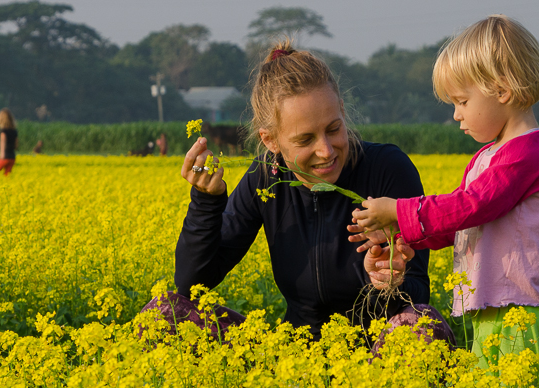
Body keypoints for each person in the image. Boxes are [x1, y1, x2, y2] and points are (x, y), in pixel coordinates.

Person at [146, 41, 452, 344]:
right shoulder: (266, 177)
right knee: (165, 315)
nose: (326, 150)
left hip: (372, 361)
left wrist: (388, 283)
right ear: (270, 141)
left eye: (333, 128)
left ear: (343, 111)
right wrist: (206, 201)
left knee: (420, 327)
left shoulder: (387, 169)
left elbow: (416, 292)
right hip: (294, 359)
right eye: (305, 139)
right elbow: (191, 284)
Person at [351, 15, 539, 367]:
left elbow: (471, 206)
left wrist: (399, 211)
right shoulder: (490, 155)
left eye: (462, 102)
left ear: (502, 90)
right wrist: (401, 236)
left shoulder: (527, 153)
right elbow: (459, 224)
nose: (456, 115)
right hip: (498, 307)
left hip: (525, 311)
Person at [0, 108, 18, 175]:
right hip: (12, 157)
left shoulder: (3, 132)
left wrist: (2, 156)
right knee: (7, 176)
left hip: (5, 156)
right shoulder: (14, 131)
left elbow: (2, 143)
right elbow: (16, 145)